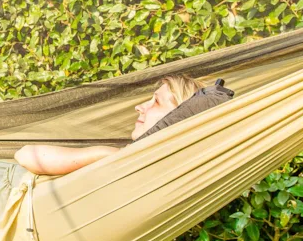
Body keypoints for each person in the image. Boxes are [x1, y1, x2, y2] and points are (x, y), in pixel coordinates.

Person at [13, 74, 207, 176]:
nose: (139, 107)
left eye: (156, 102)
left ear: (177, 118)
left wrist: (106, 155)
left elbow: (28, 156)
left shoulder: (128, 164)